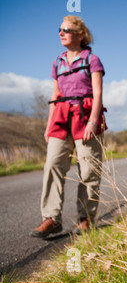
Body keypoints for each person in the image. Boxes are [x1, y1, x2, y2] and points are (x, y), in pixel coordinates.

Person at [30, 15, 107, 238]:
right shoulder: (58, 62)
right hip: (61, 117)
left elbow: (99, 92)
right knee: (53, 164)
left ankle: (85, 219)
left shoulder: (92, 60)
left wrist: (93, 121)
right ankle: (51, 218)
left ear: (80, 35)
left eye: (67, 29)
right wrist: (48, 126)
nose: (61, 32)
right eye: (60, 29)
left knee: (89, 169)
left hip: (86, 116)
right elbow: (55, 94)